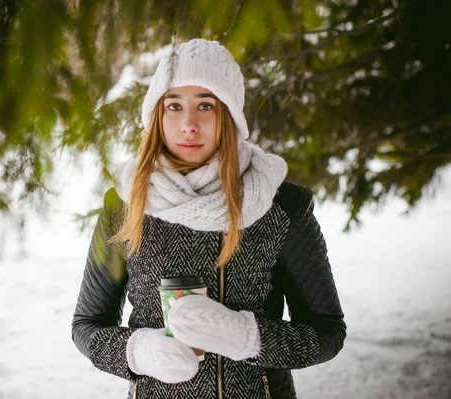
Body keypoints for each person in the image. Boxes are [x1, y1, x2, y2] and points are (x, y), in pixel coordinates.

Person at [72, 38, 346, 399]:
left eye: (206, 105)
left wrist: (246, 337)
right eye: (174, 105)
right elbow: (87, 326)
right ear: (156, 115)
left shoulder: (280, 205)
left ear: (229, 115)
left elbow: (326, 332)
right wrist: (138, 352)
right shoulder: (124, 205)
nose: (189, 124)